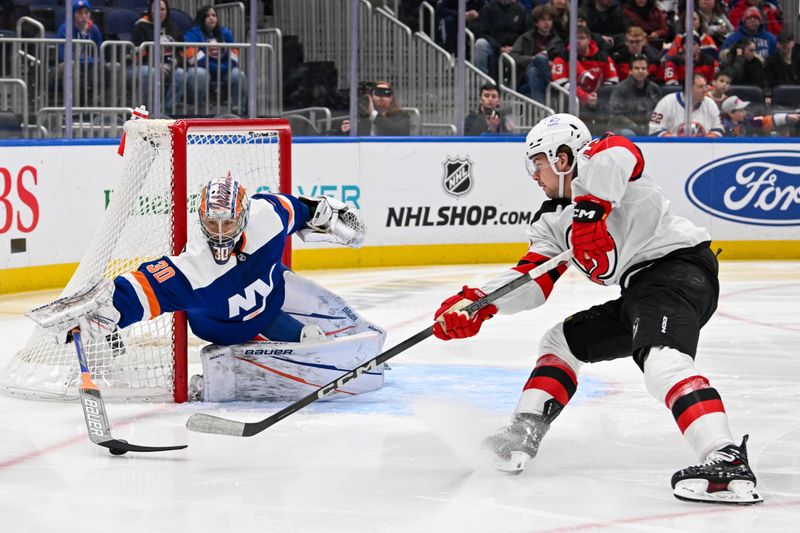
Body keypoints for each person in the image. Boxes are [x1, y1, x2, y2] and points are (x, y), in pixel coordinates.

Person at [431, 112, 763, 505]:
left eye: (538, 163)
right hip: (640, 291)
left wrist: (592, 208)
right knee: (561, 342)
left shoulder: (601, 162)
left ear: (563, 158)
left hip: (678, 271)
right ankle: (522, 433)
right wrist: (478, 304)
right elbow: (532, 279)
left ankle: (724, 456)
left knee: (661, 361)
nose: (534, 176)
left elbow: (620, 151)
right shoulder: (553, 219)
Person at [35, 173, 387, 403]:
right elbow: (135, 292)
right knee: (314, 346)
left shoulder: (269, 214)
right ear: (201, 217)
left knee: (334, 316)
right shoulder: (194, 269)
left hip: (273, 289)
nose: (220, 230)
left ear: (245, 215)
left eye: (229, 220)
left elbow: (301, 209)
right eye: (212, 221)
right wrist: (93, 315)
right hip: (235, 328)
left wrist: (326, 215)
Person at [184, 5, 247, 116]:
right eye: (207, 16)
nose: (211, 18)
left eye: (214, 15)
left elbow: (234, 53)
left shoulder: (225, 33)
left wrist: (223, 67)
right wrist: (215, 68)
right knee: (199, 74)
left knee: (238, 74)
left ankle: (238, 110)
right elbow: (192, 56)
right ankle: (199, 110)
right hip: (203, 68)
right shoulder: (192, 34)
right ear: (201, 18)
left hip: (223, 68)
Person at [132, 0, 191, 116]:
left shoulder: (172, 27)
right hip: (145, 66)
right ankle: (142, 112)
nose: (160, 12)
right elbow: (139, 55)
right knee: (150, 72)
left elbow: (182, 52)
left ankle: (165, 112)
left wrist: (175, 62)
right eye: (156, 9)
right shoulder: (141, 26)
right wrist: (156, 65)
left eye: (163, 9)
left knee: (181, 74)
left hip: (168, 65)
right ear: (150, 10)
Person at [551, 26, 619, 112]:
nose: (577, 41)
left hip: (598, 99)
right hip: (573, 101)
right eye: (574, 38)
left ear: (589, 39)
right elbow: (560, 82)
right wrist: (584, 97)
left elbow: (612, 79)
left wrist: (599, 95)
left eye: (581, 38)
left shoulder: (603, 57)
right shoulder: (562, 57)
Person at [53, 0, 106, 106]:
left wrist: (89, 61)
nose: (84, 16)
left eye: (86, 13)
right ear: (73, 15)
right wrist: (90, 60)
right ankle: (73, 108)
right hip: (62, 67)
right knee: (72, 65)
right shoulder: (65, 29)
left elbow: (101, 56)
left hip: (89, 66)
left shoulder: (94, 29)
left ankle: (105, 105)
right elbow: (64, 56)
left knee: (116, 67)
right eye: (79, 13)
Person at [509, 5, 565, 103]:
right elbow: (514, 56)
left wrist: (551, 63)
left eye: (549, 20)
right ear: (536, 22)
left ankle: (540, 113)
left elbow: (561, 61)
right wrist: (533, 58)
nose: (547, 23)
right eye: (543, 20)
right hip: (525, 80)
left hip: (544, 77)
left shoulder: (557, 41)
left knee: (534, 72)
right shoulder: (525, 38)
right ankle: (553, 86)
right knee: (539, 60)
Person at [649, 73, 724, 136]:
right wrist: (677, 143)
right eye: (701, 87)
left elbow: (718, 129)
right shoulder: (667, 102)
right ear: (688, 88)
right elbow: (655, 129)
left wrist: (702, 143)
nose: (705, 90)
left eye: (705, 86)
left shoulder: (710, 104)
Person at [608, 54, 661, 135]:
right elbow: (616, 116)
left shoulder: (654, 89)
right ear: (630, 71)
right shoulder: (620, 89)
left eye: (643, 68)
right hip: (623, 128)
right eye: (637, 68)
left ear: (647, 71)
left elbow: (659, 112)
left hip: (648, 127)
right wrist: (636, 127)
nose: (640, 71)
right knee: (628, 133)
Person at [473, 0, 528, 77]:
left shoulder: (521, 9)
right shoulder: (488, 8)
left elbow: (526, 33)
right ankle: (483, 79)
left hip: (515, 47)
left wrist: (515, 47)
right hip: (494, 45)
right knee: (480, 44)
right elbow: (483, 32)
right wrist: (499, 48)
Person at [341, 80, 412, 136]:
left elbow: (397, 131)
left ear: (391, 98)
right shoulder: (364, 118)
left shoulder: (402, 116)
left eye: (386, 93)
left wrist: (372, 113)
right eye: (378, 93)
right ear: (372, 96)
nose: (381, 97)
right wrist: (348, 131)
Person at [720, 95, 800, 136]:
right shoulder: (722, 127)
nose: (744, 112)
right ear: (731, 113)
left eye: (743, 109)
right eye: (740, 111)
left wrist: (786, 117)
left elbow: (764, 121)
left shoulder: (748, 120)